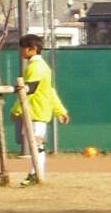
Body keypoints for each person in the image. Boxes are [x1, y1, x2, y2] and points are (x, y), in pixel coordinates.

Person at [12, 33, 69, 186]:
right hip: (39, 111)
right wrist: (59, 110)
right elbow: (49, 91)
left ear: (32, 49)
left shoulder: (36, 67)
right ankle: (37, 173)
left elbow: (28, 91)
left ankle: (35, 173)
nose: (21, 51)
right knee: (38, 145)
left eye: (23, 48)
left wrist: (16, 110)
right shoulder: (42, 66)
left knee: (36, 144)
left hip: (35, 111)